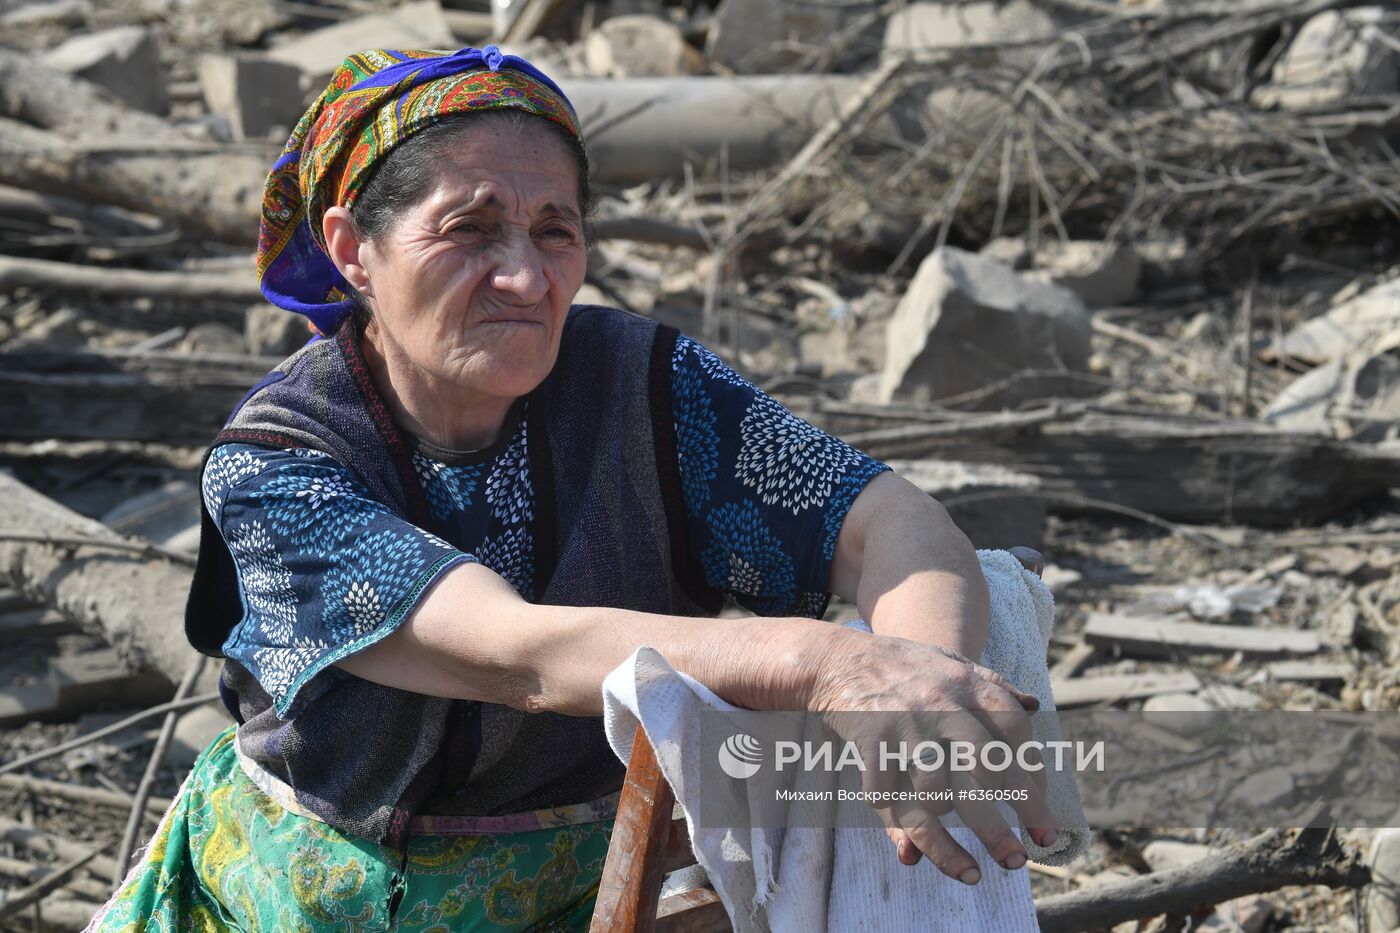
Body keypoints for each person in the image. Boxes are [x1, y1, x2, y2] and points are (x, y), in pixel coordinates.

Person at [89, 46, 1053, 932]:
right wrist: (826, 663)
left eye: (556, 230)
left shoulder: (647, 388)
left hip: (603, 885)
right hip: (335, 902)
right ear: (352, 249)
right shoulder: (279, 464)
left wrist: (921, 693)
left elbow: (889, 518)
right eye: (469, 229)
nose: (524, 276)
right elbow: (516, 652)